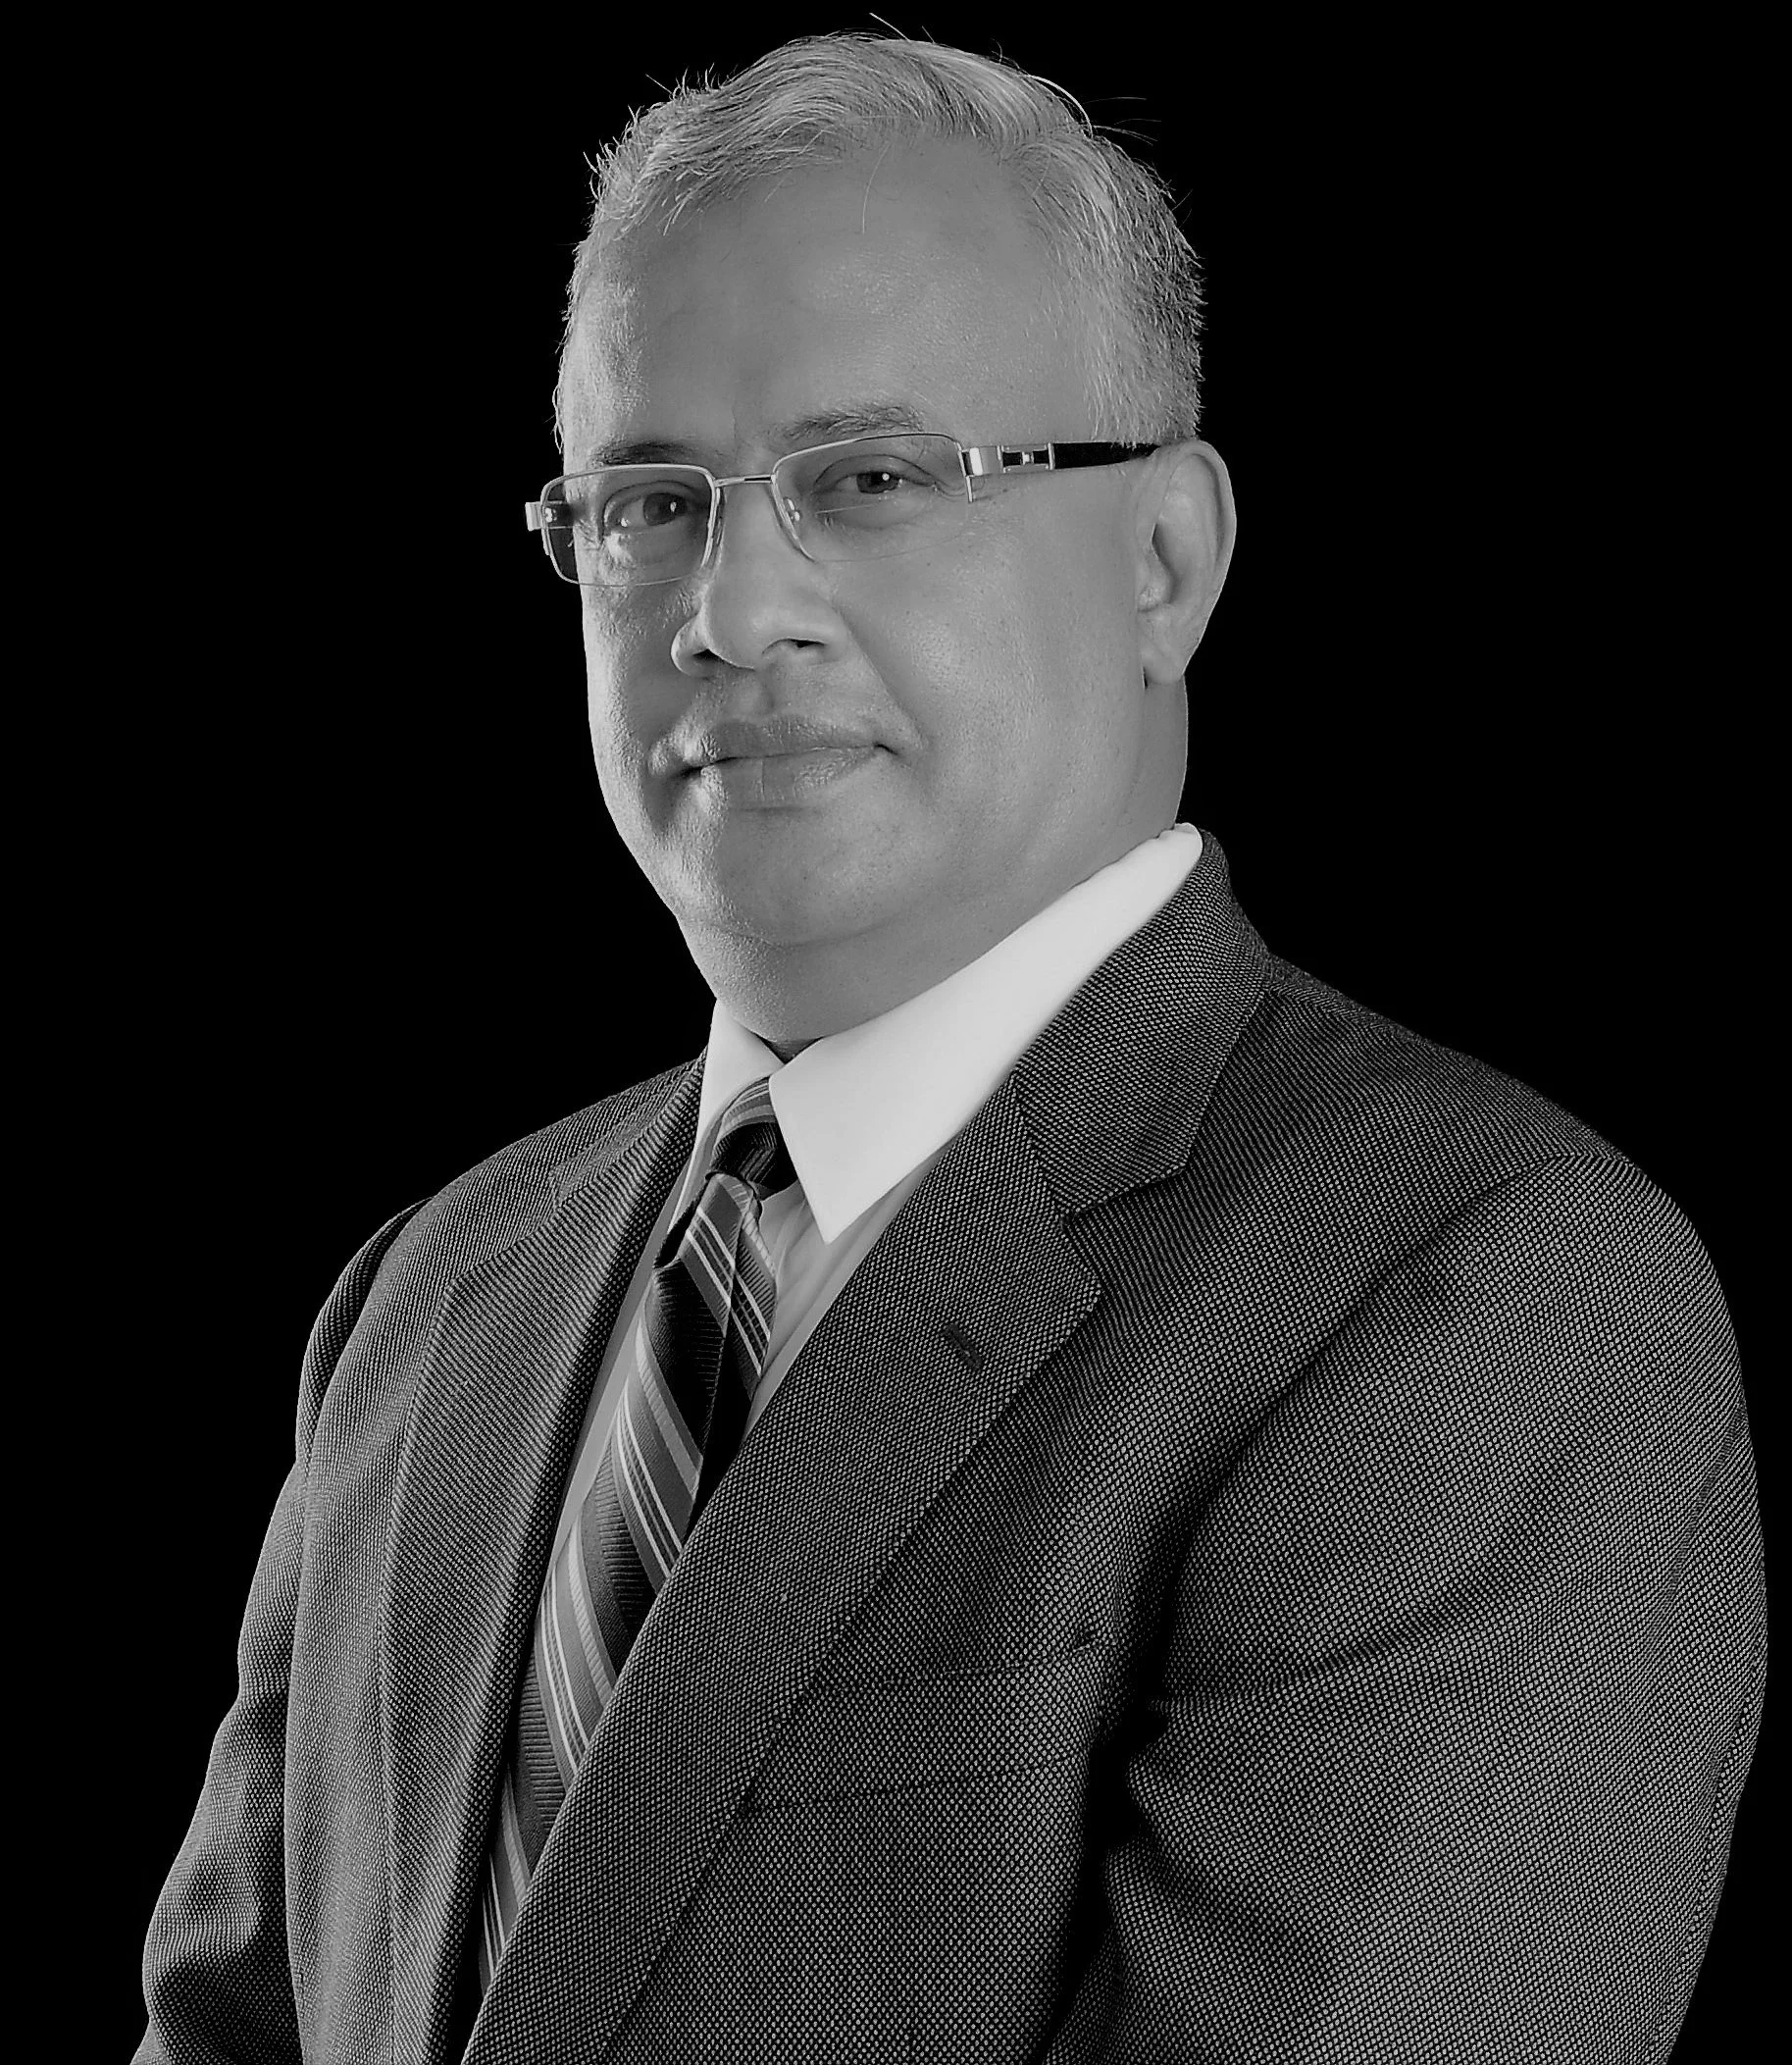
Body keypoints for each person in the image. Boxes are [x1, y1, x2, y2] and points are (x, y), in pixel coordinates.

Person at [137, 32, 1766, 2064]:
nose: (730, 611)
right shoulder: (433, 1296)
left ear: (1163, 561)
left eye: (872, 480)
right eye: (648, 504)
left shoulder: (1474, 1298)